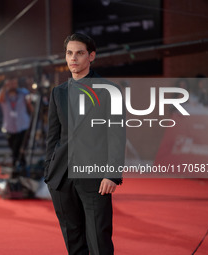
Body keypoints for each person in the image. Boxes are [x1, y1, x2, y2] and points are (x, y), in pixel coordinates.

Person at [44, 33, 126, 255]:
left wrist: (112, 174)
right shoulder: (57, 93)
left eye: (79, 53)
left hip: (95, 177)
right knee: (73, 240)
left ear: (91, 56)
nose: (73, 58)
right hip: (61, 178)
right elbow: (52, 137)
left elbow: (117, 135)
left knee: (98, 239)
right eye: (69, 53)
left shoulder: (110, 91)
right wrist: (49, 172)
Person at [0, 77, 33, 167]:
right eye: (11, 83)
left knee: (21, 148)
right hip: (9, 127)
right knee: (14, 148)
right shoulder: (3, 94)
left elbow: (30, 103)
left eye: (15, 83)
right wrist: (5, 87)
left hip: (23, 125)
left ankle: (18, 166)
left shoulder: (23, 93)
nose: (13, 85)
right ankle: (19, 166)